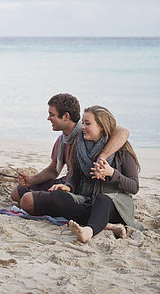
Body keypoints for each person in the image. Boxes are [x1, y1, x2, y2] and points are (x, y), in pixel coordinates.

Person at [21, 106, 144, 242]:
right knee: (57, 196)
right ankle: (106, 226)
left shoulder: (122, 150)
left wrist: (112, 173)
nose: (83, 127)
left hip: (115, 205)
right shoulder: (80, 146)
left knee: (102, 199)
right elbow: (75, 176)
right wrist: (69, 187)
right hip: (88, 200)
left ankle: (89, 231)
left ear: (102, 127)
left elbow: (134, 187)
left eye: (88, 123)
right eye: (83, 123)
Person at [11, 93, 130, 205]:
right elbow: (53, 171)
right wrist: (31, 180)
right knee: (17, 192)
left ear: (66, 116)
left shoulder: (87, 135)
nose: (48, 118)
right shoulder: (62, 140)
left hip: (80, 187)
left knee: (28, 200)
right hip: (67, 182)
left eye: (52, 114)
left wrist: (102, 156)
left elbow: (123, 132)